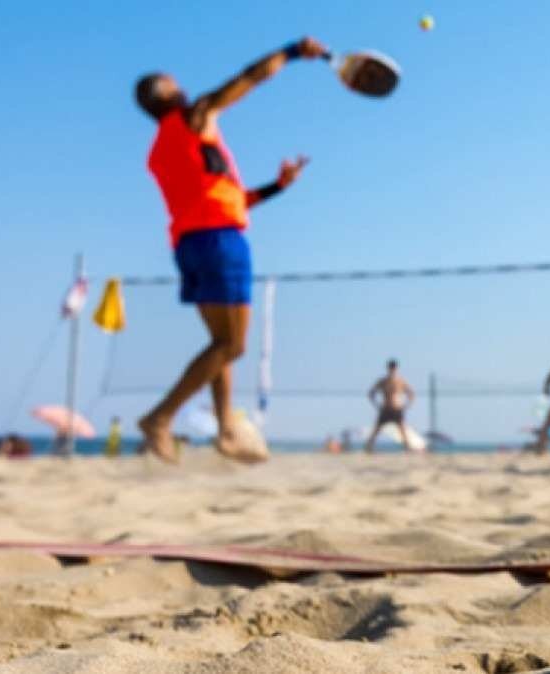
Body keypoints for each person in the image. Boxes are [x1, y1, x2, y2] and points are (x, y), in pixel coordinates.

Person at [132, 37, 328, 464]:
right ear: (165, 94)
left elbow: (229, 197)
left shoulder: (164, 149)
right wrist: (294, 51)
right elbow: (249, 78)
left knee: (220, 344)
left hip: (190, 245)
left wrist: (278, 186)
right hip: (220, 242)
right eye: (172, 81)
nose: (180, 82)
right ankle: (159, 418)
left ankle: (226, 431)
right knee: (233, 345)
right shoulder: (193, 116)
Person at [364, 360, 417, 453]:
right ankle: (368, 447)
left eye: (394, 368)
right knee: (377, 429)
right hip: (385, 409)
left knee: (402, 429)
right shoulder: (383, 381)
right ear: (388, 368)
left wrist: (406, 405)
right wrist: (377, 405)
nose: (392, 370)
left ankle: (408, 448)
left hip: (397, 409)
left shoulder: (401, 381)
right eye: (390, 368)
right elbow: (371, 393)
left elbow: (411, 394)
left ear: (396, 368)